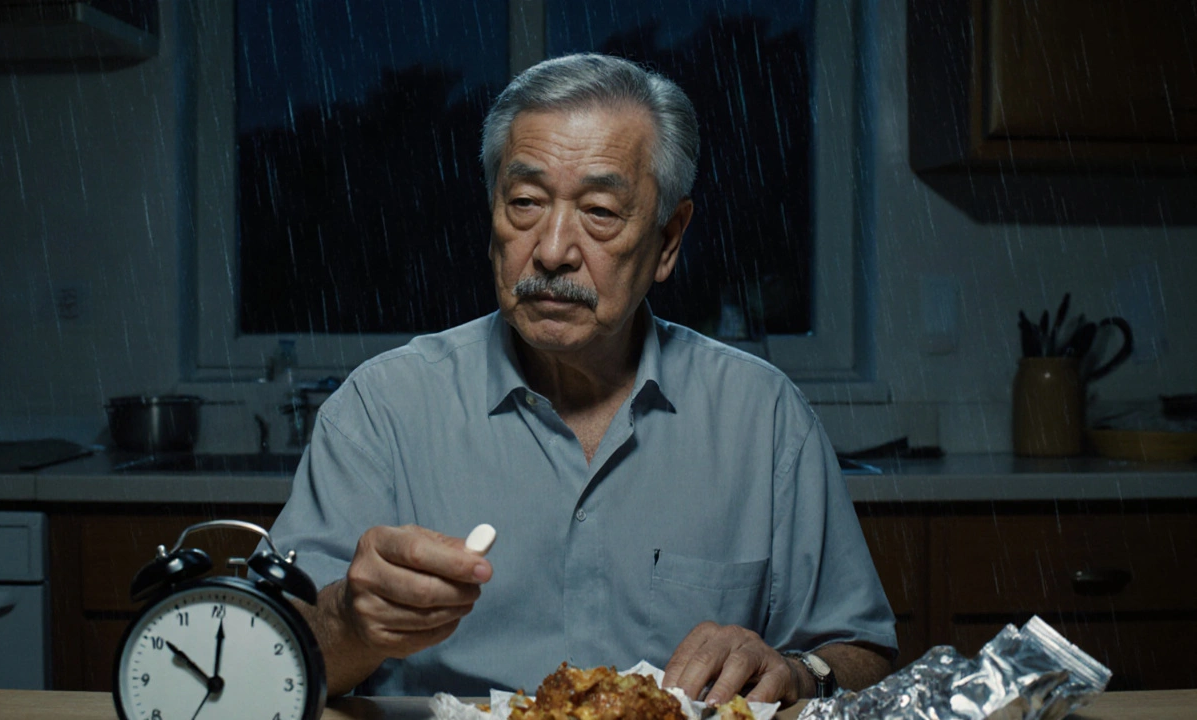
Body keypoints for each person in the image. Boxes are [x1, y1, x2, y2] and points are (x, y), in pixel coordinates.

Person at [268, 52, 896, 703]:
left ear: (669, 239)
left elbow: (864, 653)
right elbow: (272, 658)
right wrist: (350, 623)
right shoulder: (380, 409)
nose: (551, 251)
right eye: (524, 203)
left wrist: (800, 672)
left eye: (599, 211)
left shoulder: (762, 417)